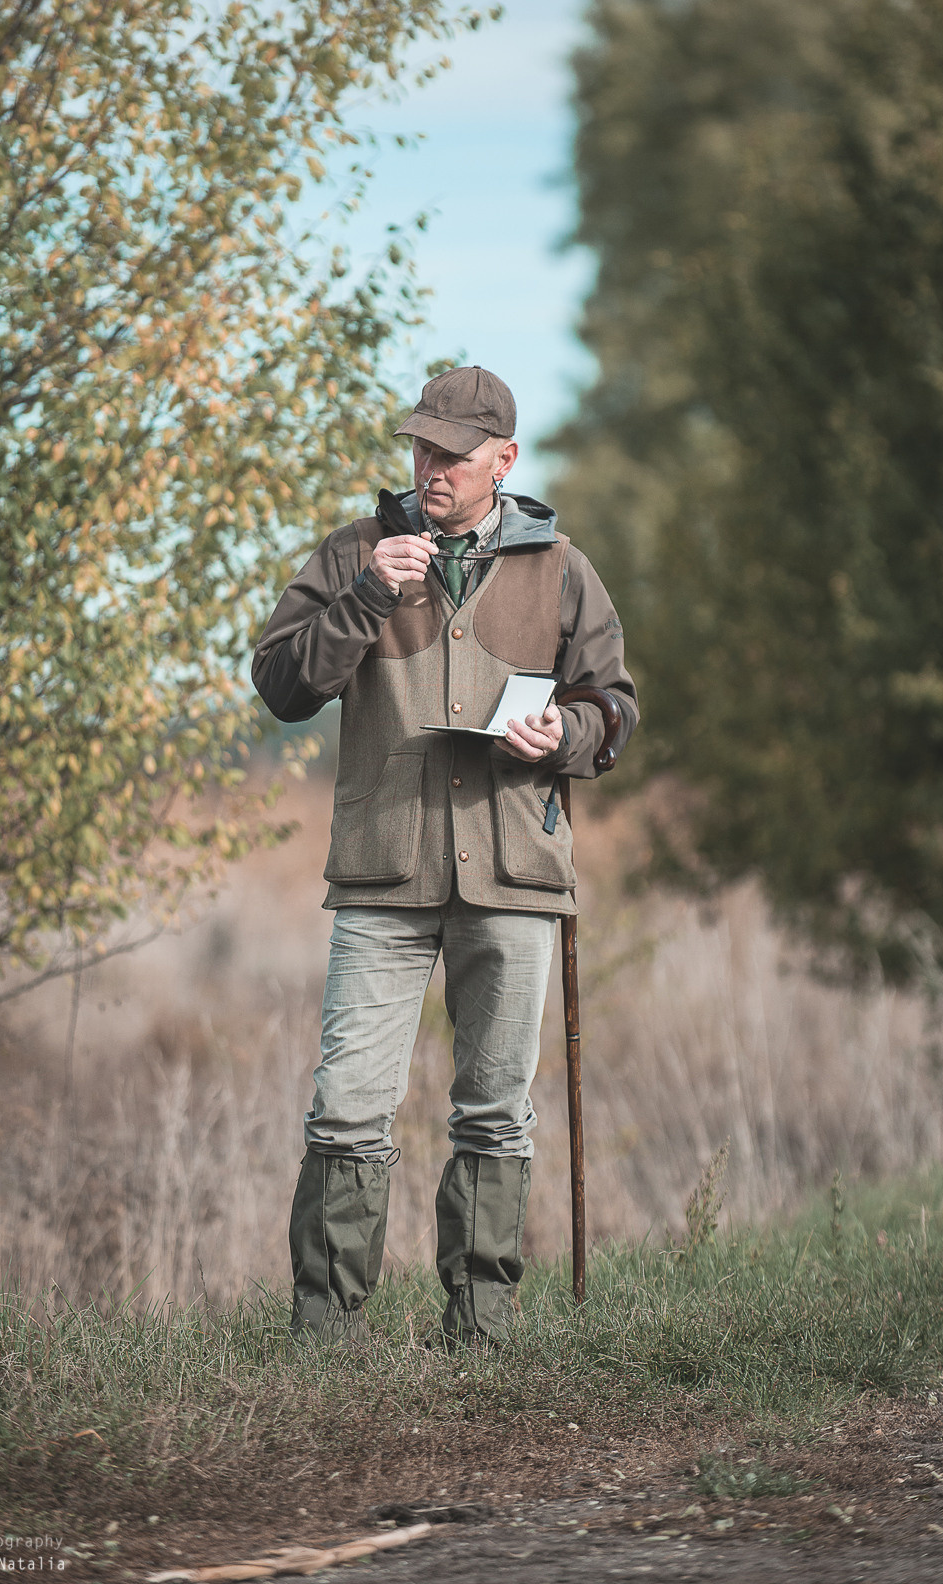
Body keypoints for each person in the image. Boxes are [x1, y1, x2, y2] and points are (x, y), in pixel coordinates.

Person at [250, 366, 638, 1345]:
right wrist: (361, 602)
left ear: (503, 461)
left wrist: (566, 738)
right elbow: (282, 687)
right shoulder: (353, 553)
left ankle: (482, 1333)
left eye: (452, 456)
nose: (429, 469)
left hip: (515, 871)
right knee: (345, 1111)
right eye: (421, 448)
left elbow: (613, 709)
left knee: (495, 1114)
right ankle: (327, 1340)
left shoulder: (561, 568)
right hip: (382, 873)